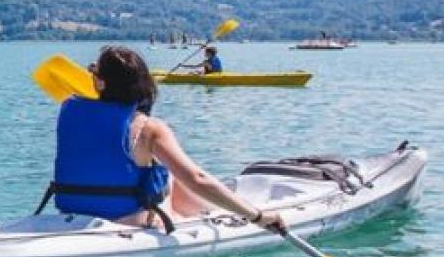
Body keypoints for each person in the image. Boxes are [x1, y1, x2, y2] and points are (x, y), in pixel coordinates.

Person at [44, 45, 285, 232]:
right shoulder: (149, 128)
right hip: (127, 221)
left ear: (98, 81)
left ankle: (210, 210)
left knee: (162, 173)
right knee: (169, 174)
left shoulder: (68, 110)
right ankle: (213, 213)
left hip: (72, 211)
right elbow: (197, 178)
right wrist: (257, 216)